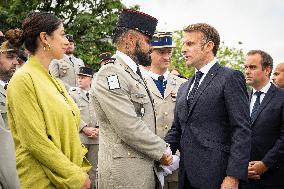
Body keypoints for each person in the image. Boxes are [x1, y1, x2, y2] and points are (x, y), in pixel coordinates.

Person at [7, 12, 91, 189]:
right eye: (62, 34)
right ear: (45, 38)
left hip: (66, 177)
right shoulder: (23, 79)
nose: (67, 41)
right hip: (43, 182)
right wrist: (76, 177)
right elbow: (36, 142)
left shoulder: (50, 78)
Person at [91, 9, 173, 189]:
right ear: (130, 40)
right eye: (147, 41)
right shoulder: (111, 74)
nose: (151, 47)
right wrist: (162, 150)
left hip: (140, 173)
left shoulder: (132, 74)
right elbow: (128, 126)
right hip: (124, 177)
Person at [165, 23, 251, 189]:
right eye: (183, 44)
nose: (183, 49)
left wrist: (233, 176)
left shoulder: (230, 78)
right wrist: (161, 152)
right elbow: (177, 129)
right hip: (186, 176)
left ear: (209, 46)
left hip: (218, 176)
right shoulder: (184, 87)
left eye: (190, 44)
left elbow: (241, 129)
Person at [145, 31, 186, 189]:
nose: (167, 57)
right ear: (150, 52)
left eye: (169, 52)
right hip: (151, 159)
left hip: (178, 160)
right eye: (161, 52)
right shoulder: (139, 83)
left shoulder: (183, 84)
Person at [240, 50, 284, 189]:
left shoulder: (281, 97)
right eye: (245, 67)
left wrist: (265, 164)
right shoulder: (241, 98)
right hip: (243, 177)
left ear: (267, 70)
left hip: (273, 178)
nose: (247, 71)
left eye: (252, 67)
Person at [69, 66, 98, 189]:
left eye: (83, 77)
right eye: (78, 77)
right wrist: (84, 128)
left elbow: (103, 112)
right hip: (80, 137)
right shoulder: (72, 94)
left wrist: (98, 128)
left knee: (94, 170)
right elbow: (70, 112)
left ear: (91, 79)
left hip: (96, 137)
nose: (80, 80)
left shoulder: (97, 94)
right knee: (79, 169)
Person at [0, 29, 20, 189]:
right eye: (9, 57)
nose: (16, 62)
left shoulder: (9, 88)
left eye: (16, 57)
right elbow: (3, 146)